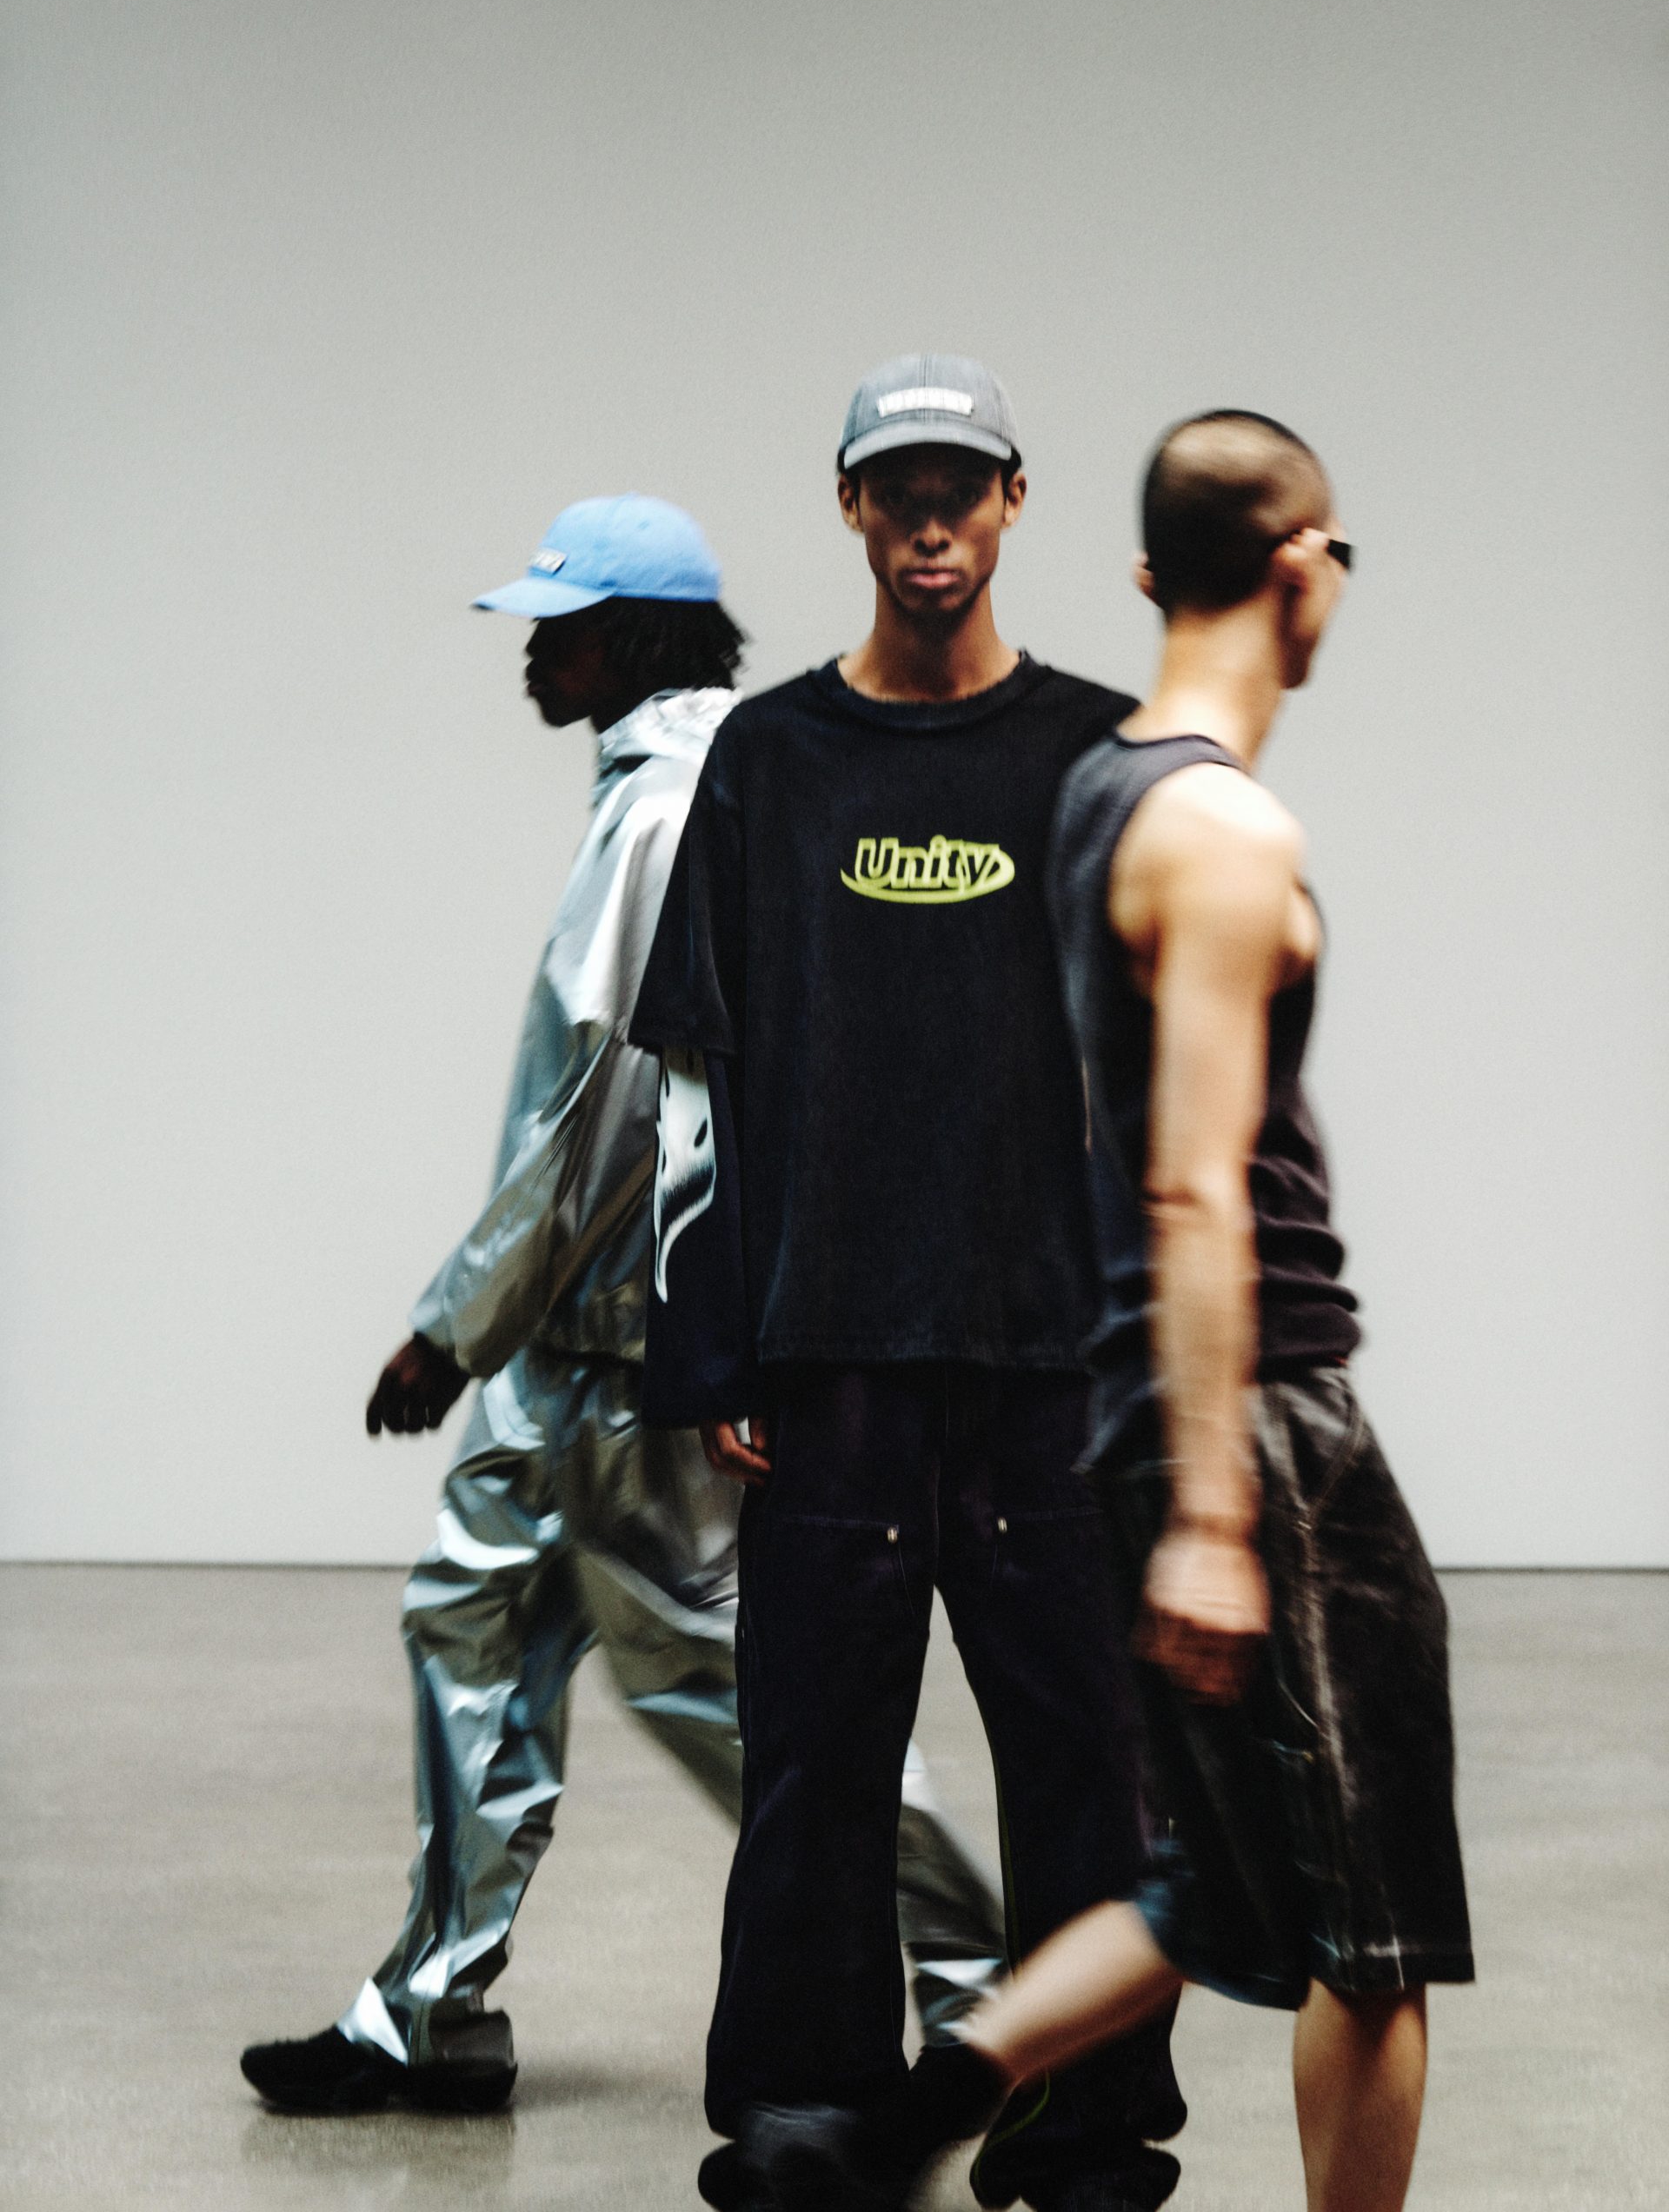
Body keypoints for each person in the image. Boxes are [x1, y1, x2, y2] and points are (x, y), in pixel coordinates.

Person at [741, 412, 1473, 2212]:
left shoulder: (1099, 786)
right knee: (1375, 1931)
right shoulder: (1221, 827)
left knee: (1199, 1884)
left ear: (1149, 574)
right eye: (1340, 556)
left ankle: (896, 2128)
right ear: (1298, 566)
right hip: (1264, 1410)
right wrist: (1217, 1514)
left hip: (1135, 1397)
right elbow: (1193, 1182)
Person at [238, 494, 1006, 2120]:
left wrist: (454, 1325)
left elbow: (613, 1106)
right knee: (470, 1631)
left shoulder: (674, 809)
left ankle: (996, 2001)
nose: (532, 654)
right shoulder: (676, 786)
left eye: (560, 627)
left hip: (627, 1352)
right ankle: (429, 2016)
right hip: (566, 1351)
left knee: (743, 1703)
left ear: (638, 635)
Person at [628, 359, 1185, 2212]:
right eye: (899, 489)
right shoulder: (770, 761)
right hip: (832, 1360)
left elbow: (1173, 1083)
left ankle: (1087, 2131)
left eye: (963, 487)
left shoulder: (1101, 755)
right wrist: (715, 1337)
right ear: (851, 506)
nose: (931, 522)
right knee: (813, 1768)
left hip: (1051, 1364)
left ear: (1015, 500)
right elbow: (699, 1075)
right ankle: (801, 2111)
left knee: (1089, 1772)